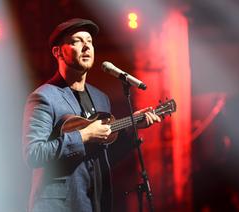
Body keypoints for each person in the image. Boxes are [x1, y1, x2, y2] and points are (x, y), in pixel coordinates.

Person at [22, 18, 160, 212]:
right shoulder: (44, 97)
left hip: (94, 202)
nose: (86, 46)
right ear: (57, 51)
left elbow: (102, 157)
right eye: (77, 41)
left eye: (90, 41)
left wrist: (131, 127)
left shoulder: (100, 98)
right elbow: (34, 154)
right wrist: (84, 135)